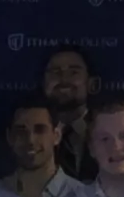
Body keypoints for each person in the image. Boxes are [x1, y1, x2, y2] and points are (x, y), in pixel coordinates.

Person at [0, 93, 80, 197]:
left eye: (40, 130)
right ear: (9, 137)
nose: (30, 140)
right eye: (21, 131)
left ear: (56, 135)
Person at [42, 47, 98, 182]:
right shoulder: (23, 135)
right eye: (55, 72)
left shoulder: (108, 130)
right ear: (43, 83)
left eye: (74, 72)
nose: (64, 79)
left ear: (91, 83)